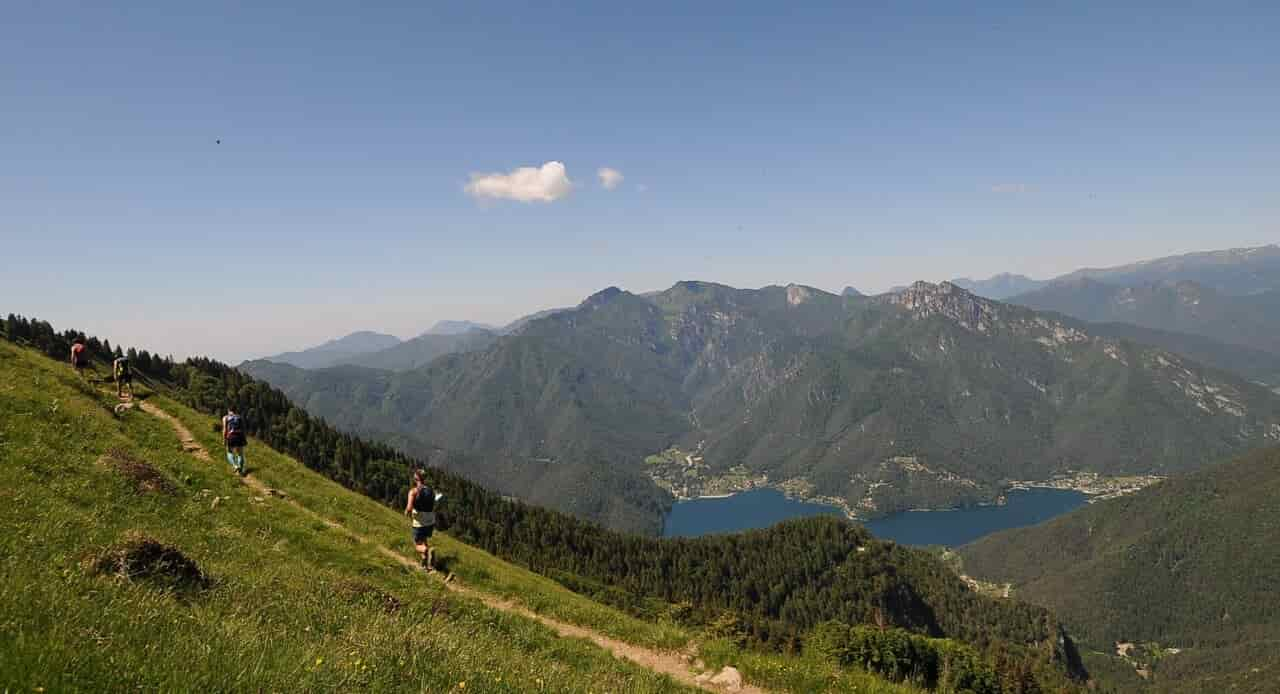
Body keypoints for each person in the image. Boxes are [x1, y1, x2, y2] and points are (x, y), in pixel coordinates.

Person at [404, 469, 442, 572]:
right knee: (424, 540)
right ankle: (425, 565)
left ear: (416, 478)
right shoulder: (431, 490)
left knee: (418, 545)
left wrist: (407, 512)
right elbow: (436, 500)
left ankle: (428, 551)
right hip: (430, 520)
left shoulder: (413, 491)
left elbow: (409, 507)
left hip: (419, 521)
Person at [221, 408, 247, 476]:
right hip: (240, 436)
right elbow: (243, 429)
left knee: (229, 452)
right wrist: (244, 438)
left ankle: (235, 466)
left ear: (228, 410)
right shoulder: (239, 417)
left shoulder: (226, 417)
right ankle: (240, 470)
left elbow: (225, 429)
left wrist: (224, 439)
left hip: (231, 437)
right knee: (240, 454)